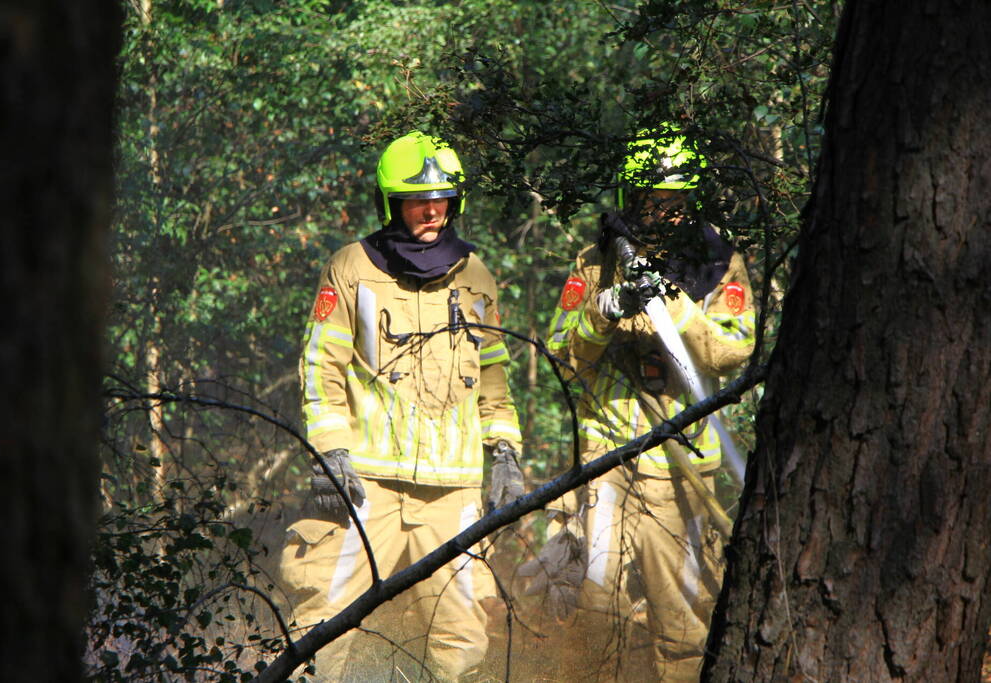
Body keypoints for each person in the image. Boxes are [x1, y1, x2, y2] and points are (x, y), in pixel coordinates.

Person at [279, 131, 525, 681]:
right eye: (418, 200)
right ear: (391, 203)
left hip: (453, 491)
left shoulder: (476, 276)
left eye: (442, 199)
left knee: (462, 641)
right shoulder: (351, 268)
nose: (432, 210)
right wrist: (330, 453)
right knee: (322, 625)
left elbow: (494, 377)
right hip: (366, 484)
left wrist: (505, 452)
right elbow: (321, 367)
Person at [534, 125, 755, 681]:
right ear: (634, 197)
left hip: (682, 478)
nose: (667, 212)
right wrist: (603, 309)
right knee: (597, 607)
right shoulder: (597, 261)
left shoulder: (719, 264)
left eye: (678, 200)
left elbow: (732, 350)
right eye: (655, 200)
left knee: (683, 626)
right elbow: (561, 354)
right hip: (608, 464)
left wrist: (672, 302)